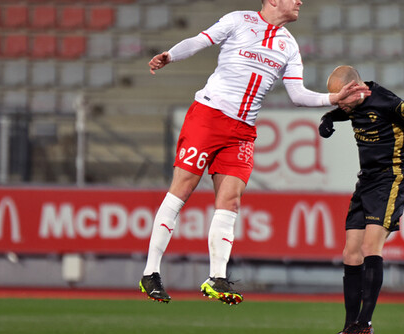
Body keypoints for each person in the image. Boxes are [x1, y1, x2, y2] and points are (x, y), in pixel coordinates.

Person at [140, 0, 370, 305]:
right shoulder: (238, 20)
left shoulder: (289, 45)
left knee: (231, 200)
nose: (300, 1)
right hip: (208, 116)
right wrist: (170, 55)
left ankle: (216, 277)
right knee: (182, 188)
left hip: (243, 130)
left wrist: (333, 98)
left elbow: (298, 95)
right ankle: (151, 272)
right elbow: (200, 40)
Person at [315, 66, 404, 334]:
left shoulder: (388, 102)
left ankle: (365, 324)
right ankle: (349, 328)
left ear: (356, 89)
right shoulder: (352, 103)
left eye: (342, 98)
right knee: (349, 254)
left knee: (370, 248)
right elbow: (345, 112)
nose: (339, 103)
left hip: (390, 179)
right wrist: (328, 117)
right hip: (365, 181)